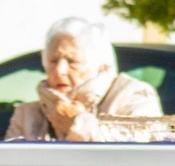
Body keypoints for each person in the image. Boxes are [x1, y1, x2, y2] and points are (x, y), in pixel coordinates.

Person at [4, 17, 160, 141]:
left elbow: (142, 155)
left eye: (72, 62)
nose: (60, 71)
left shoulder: (133, 96)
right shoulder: (27, 115)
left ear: (100, 66)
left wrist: (79, 125)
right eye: (53, 61)